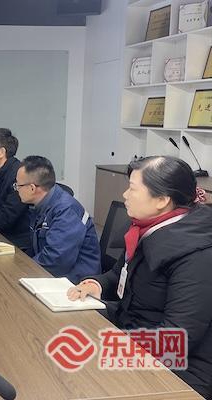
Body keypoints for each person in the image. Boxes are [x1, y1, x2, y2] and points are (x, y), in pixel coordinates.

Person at [68, 156, 212, 398]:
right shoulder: (146, 228)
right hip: (135, 336)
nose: (125, 195)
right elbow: (118, 275)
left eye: (133, 189)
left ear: (162, 200)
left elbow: (177, 340)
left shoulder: (197, 255)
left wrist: (106, 347)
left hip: (180, 373)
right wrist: (96, 285)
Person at [16, 156, 100, 283]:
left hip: (76, 281)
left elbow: (56, 260)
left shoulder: (66, 210)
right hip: (54, 274)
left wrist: (22, 270)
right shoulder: (39, 205)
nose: (16, 189)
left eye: (18, 185)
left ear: (32, 188)